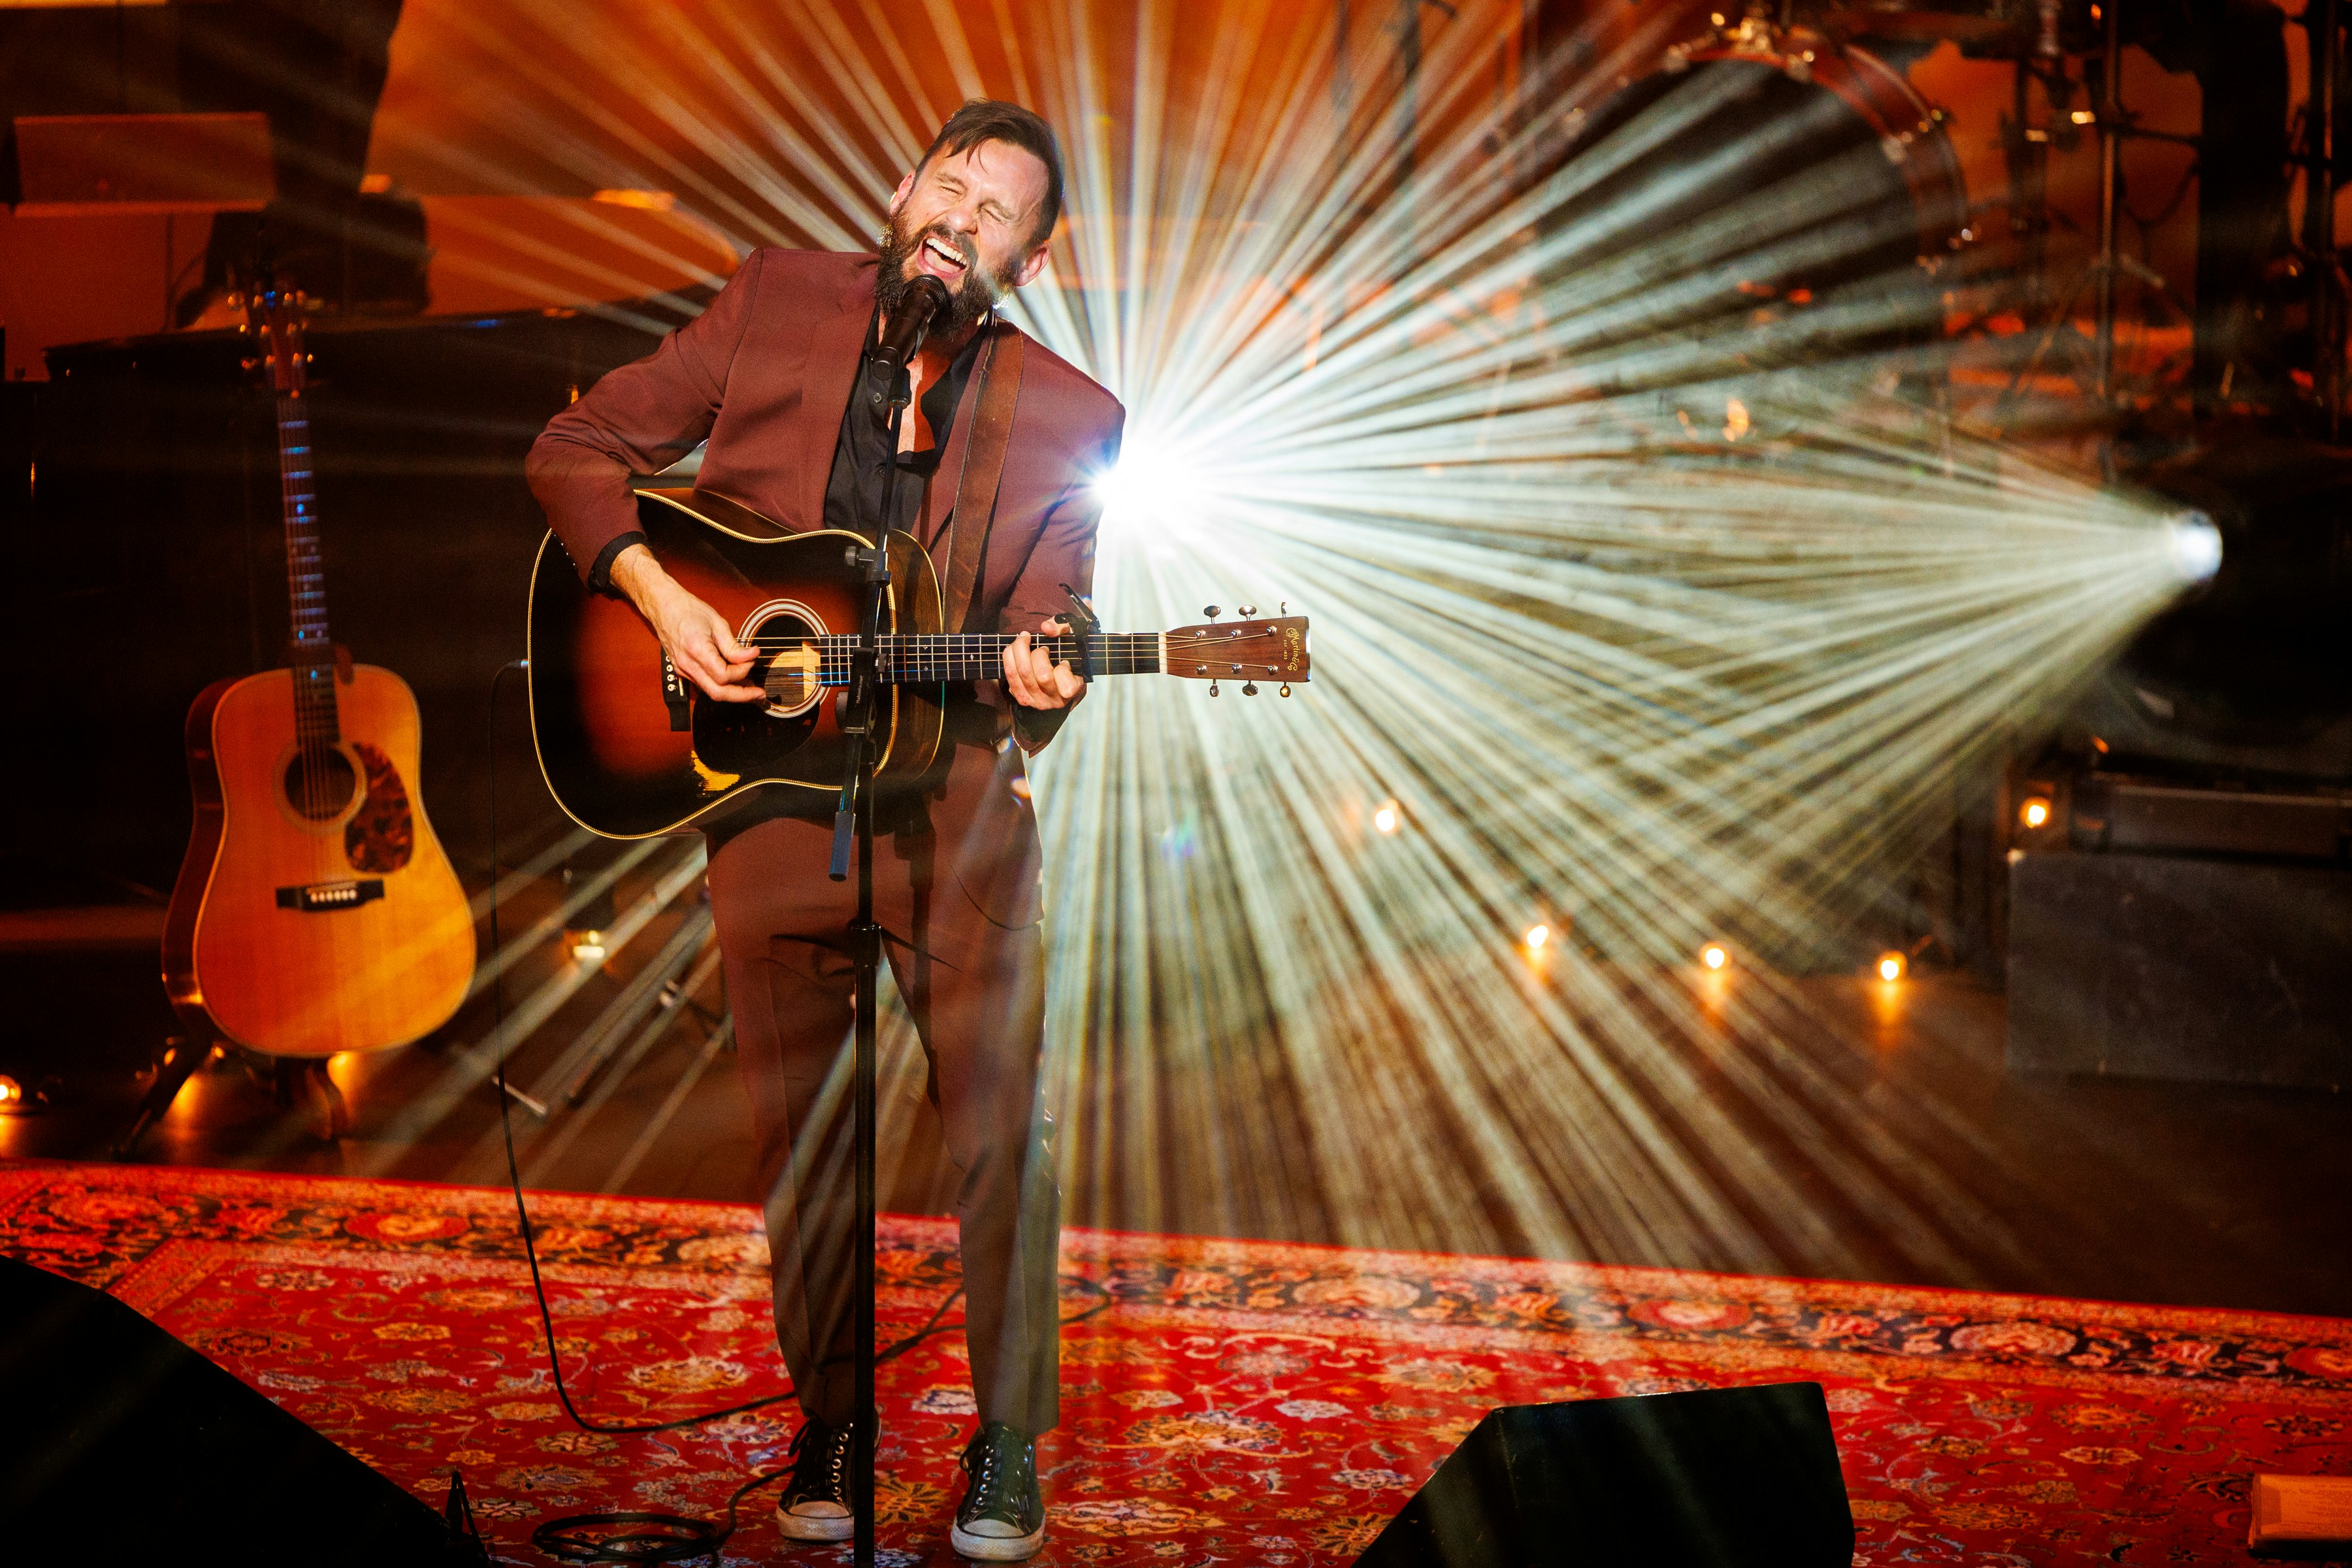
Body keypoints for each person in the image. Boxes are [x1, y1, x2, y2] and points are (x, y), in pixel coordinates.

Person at [525, 99, 1122, 1563]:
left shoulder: (1070, 414)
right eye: (949, 186)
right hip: (768, 792)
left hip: (955, 801)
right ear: (905, 188)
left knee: (1003, 1133)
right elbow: (576, 446)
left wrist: (1049, 665)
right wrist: (658, 593)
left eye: (997, 213)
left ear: (1031, 263)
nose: (959, 219)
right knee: (803, 1136)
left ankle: (1005, 1439)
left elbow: (1055, 605)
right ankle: (834, 1419)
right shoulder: (776, 299)